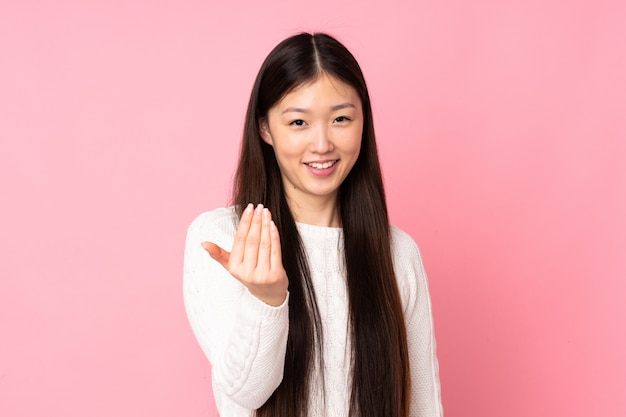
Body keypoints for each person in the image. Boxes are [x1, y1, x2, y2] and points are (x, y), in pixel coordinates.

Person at [183, 32, 443, 417]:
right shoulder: (223, 238)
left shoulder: (398, 252)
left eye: (340, 119)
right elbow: (245, 392)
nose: (322, 144)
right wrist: (267, 299)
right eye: (299, 122)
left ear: (363, 122)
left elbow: (422, 405)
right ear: (265, 129)